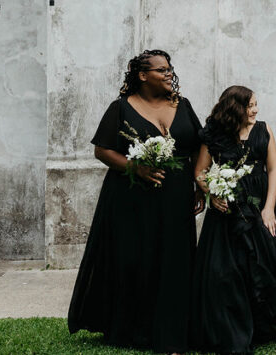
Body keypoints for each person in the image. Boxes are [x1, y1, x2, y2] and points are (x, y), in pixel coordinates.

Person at [68, 49, 204, 353]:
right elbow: (102, 150)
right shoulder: (121, 108)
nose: (169, 74)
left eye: (170, 69)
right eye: (161, 70)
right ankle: (135, 328)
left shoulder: (183, 105)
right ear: (142, 76)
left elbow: (197, 147)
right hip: (132, 198)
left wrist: (199, 185)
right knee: (137, 259)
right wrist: (136, 168)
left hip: (177, 197)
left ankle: (175, 327)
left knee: (176, 259)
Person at [190, 86, 276, 353]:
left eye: (256, 104)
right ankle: (230, 324)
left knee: (267, 261)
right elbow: (200, 172)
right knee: (225, 270)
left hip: (257, 203)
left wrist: (268, 208)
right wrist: (213, 194)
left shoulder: (264, 129)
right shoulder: (213, 135)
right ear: (234, 108)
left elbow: (274, 168)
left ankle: (267, 323)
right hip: (226, 209)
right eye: (250, 106)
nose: (255, 110)